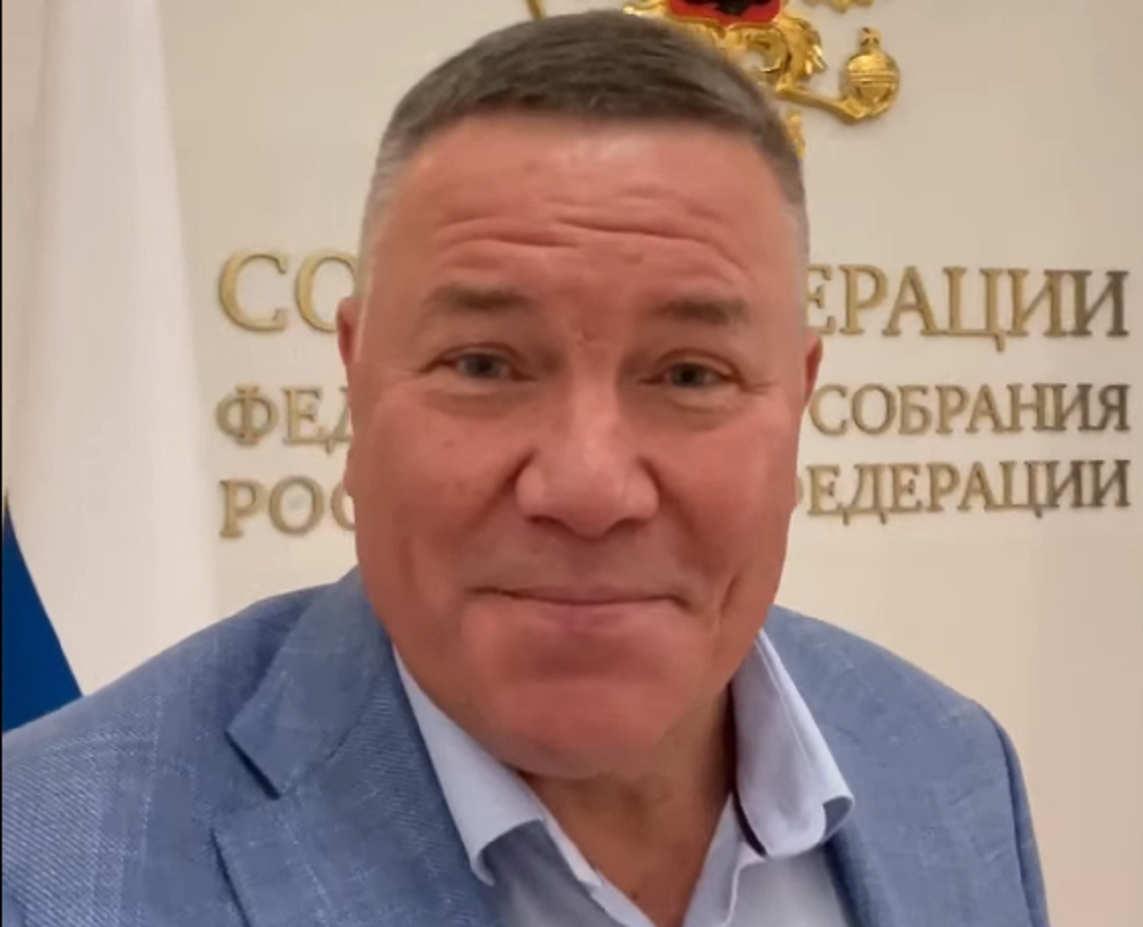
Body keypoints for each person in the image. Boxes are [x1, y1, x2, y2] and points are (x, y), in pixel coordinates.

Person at [1, 11, 1050, 927]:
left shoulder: (951, 767)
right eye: (484, 364)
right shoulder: (39, 865)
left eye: (691, 374)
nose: (589, 488)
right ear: (355, 382)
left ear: (799, 400)